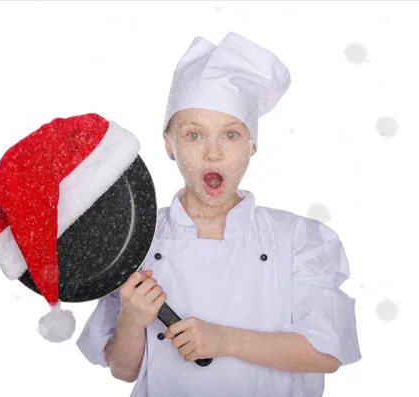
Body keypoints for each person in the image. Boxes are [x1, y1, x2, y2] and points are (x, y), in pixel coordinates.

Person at [76, 31, 361, 397]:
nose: (213, 154)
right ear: (170, 144)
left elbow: (326, 353)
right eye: (194, 136)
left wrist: (225, 340)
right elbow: (124, 370)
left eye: (230, 135)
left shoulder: (299, 239)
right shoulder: (135, 241)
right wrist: (132, 320)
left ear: (252, 144)